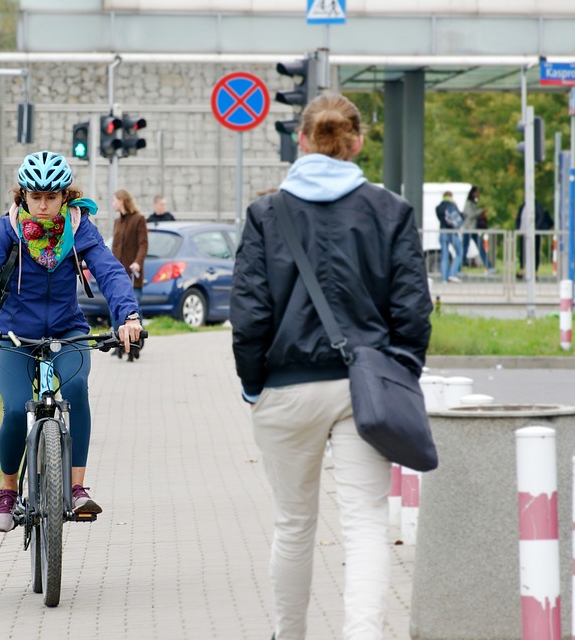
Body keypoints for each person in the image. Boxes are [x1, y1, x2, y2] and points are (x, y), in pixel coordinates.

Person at [231, 94, 432, 640]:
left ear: (300, 139)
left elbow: (248, 317)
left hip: (284, 390)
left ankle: (288, 634)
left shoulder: (265, 214)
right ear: (357, 143)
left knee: (293, 525)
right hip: (362, 390)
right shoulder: (390, 211)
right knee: (366, 525)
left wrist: (254, 387)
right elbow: (413, 312)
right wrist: (397, 375)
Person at [0, 151, 143, 532]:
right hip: (14, 334)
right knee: (14, 410)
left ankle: (76, 487)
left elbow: (110, 272)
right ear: (22, 195)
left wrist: (128, 316)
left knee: (77, 387)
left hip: (67, 330)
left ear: (64, 197)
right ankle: (7, 492)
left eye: (51, 197)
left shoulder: (78, 227)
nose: (42, 204)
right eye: (35, 196)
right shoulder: (8, 228)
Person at [111, 189, 148, 361]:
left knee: (133, 310)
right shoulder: (117, 221)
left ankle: (135, 345)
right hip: (117, 275)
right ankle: (119, 343)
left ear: (123, 200)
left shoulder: (138, 220)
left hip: (133, 274)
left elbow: (143, 245)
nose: (113, 203)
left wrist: (137, 262)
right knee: (116, 311)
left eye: (115, 200)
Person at [515, 200, 551, 278]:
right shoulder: (523, 206)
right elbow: (519, 218)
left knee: (535, 251)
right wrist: (518, 228)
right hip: (523, 232)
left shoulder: (537, 206)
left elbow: (540, 217)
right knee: (522, 251)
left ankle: (534, 271)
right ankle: (522, 269)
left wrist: (535, 228)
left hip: (534, 233)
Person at [435, 191, 463, 283]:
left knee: (444, 255)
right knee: (459, 252)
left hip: (443, 231)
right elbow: (459, 217)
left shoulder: (439, 207)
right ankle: (452, 273)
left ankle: (444, 279)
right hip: (452, 232)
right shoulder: (452, 206)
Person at [461, 185, 491, 271]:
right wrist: (481, 210)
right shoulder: (469, 203)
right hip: (468, 229)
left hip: (472, 229)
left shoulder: (473, 203)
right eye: (477, 192)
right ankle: (459, 269)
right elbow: (470, 214)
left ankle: (488, 266)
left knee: (479, 248)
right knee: (464, 249)